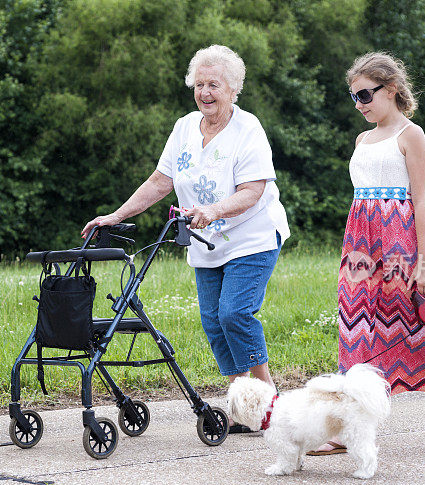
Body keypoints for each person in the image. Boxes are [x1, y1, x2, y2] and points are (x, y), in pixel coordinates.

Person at [82, 45, 290, 431]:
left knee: (235, 313)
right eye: (199, 84)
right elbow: (160, 182)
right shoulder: (184, 127)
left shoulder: (248, 130)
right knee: (213, 321)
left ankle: (269, 402)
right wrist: (116, 215)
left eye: (214, 85)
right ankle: (244, 407)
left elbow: (253, 190)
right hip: (206, 242)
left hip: (251, 237)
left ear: (233, 90)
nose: (205, 92)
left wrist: (213, 210)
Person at [312, 52, 425, 454]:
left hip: (399, 244)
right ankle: (346, 426)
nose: (358, 105)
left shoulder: (412, 136)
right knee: (354, 328)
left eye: (364, 95)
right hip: (359, 245)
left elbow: (422, 202)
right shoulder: (363, 139)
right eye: (353, 97)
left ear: (390, 89)